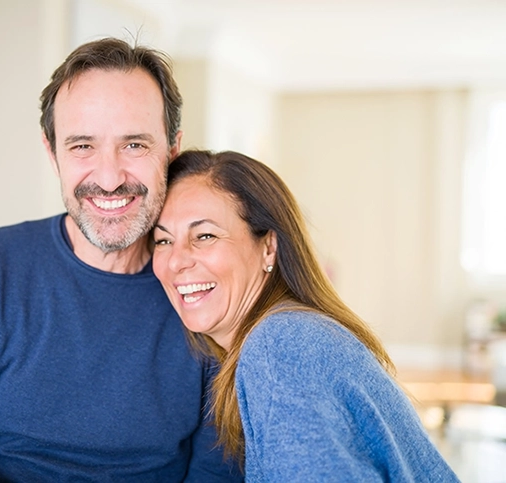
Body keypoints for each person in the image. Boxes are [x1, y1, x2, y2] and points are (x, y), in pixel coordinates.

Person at [0, 40, 241, 482]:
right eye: (83, 146)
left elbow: (215, 475)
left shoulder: (204, 288)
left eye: (135, 145)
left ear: (172, 150)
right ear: (53, 153)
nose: (108, 177)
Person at [152, 150, 460, 482]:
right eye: (163, 240)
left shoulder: (279, 345)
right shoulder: (288, 337)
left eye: (205, 236)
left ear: (269, 246)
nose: (176, 261)